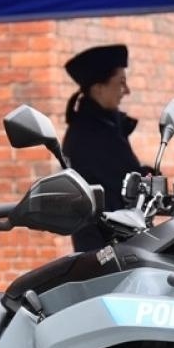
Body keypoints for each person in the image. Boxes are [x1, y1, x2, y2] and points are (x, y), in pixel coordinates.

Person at [62, 44, 141, 253]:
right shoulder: (89, 136)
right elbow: (124, 184)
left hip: (116, 243)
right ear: (98, 88)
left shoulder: (102, 127)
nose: (126, 91)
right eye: (120, 83)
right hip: (106, 251)